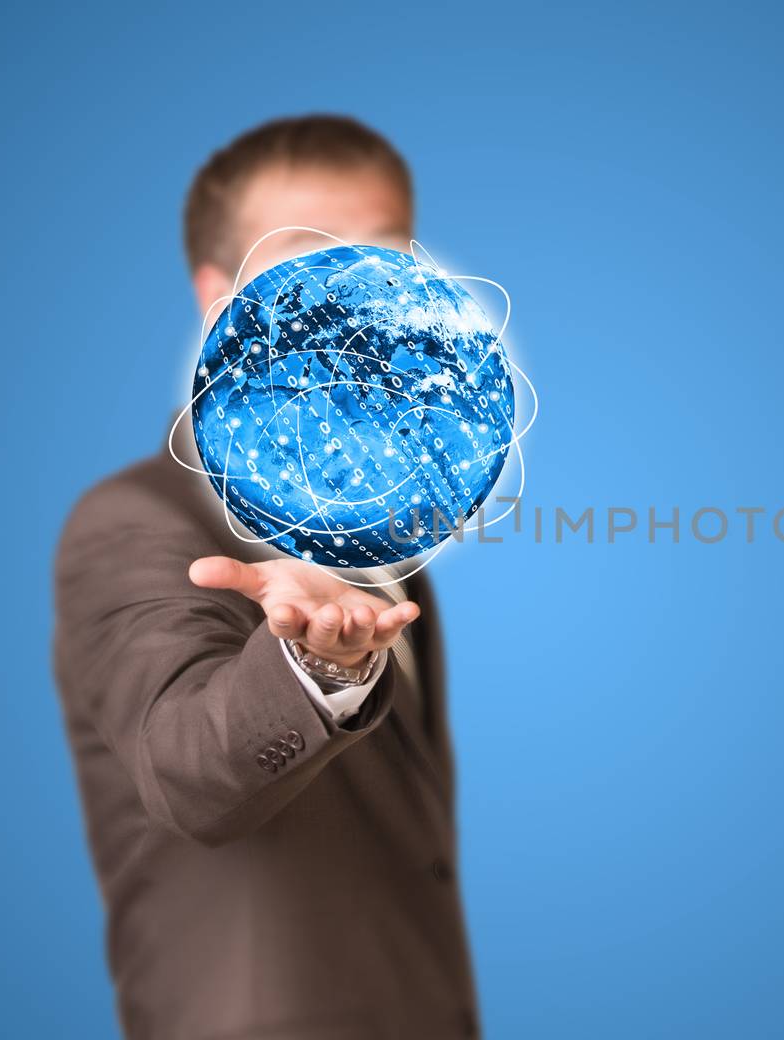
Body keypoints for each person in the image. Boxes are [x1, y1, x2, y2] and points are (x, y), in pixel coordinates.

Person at [53, 115, 479, 1039]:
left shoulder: (388, 533)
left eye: (382, 268)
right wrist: (314, 671)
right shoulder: (137, 520)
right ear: (217, 302)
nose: (355, 310)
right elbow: (184, 771)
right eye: (307, 274)